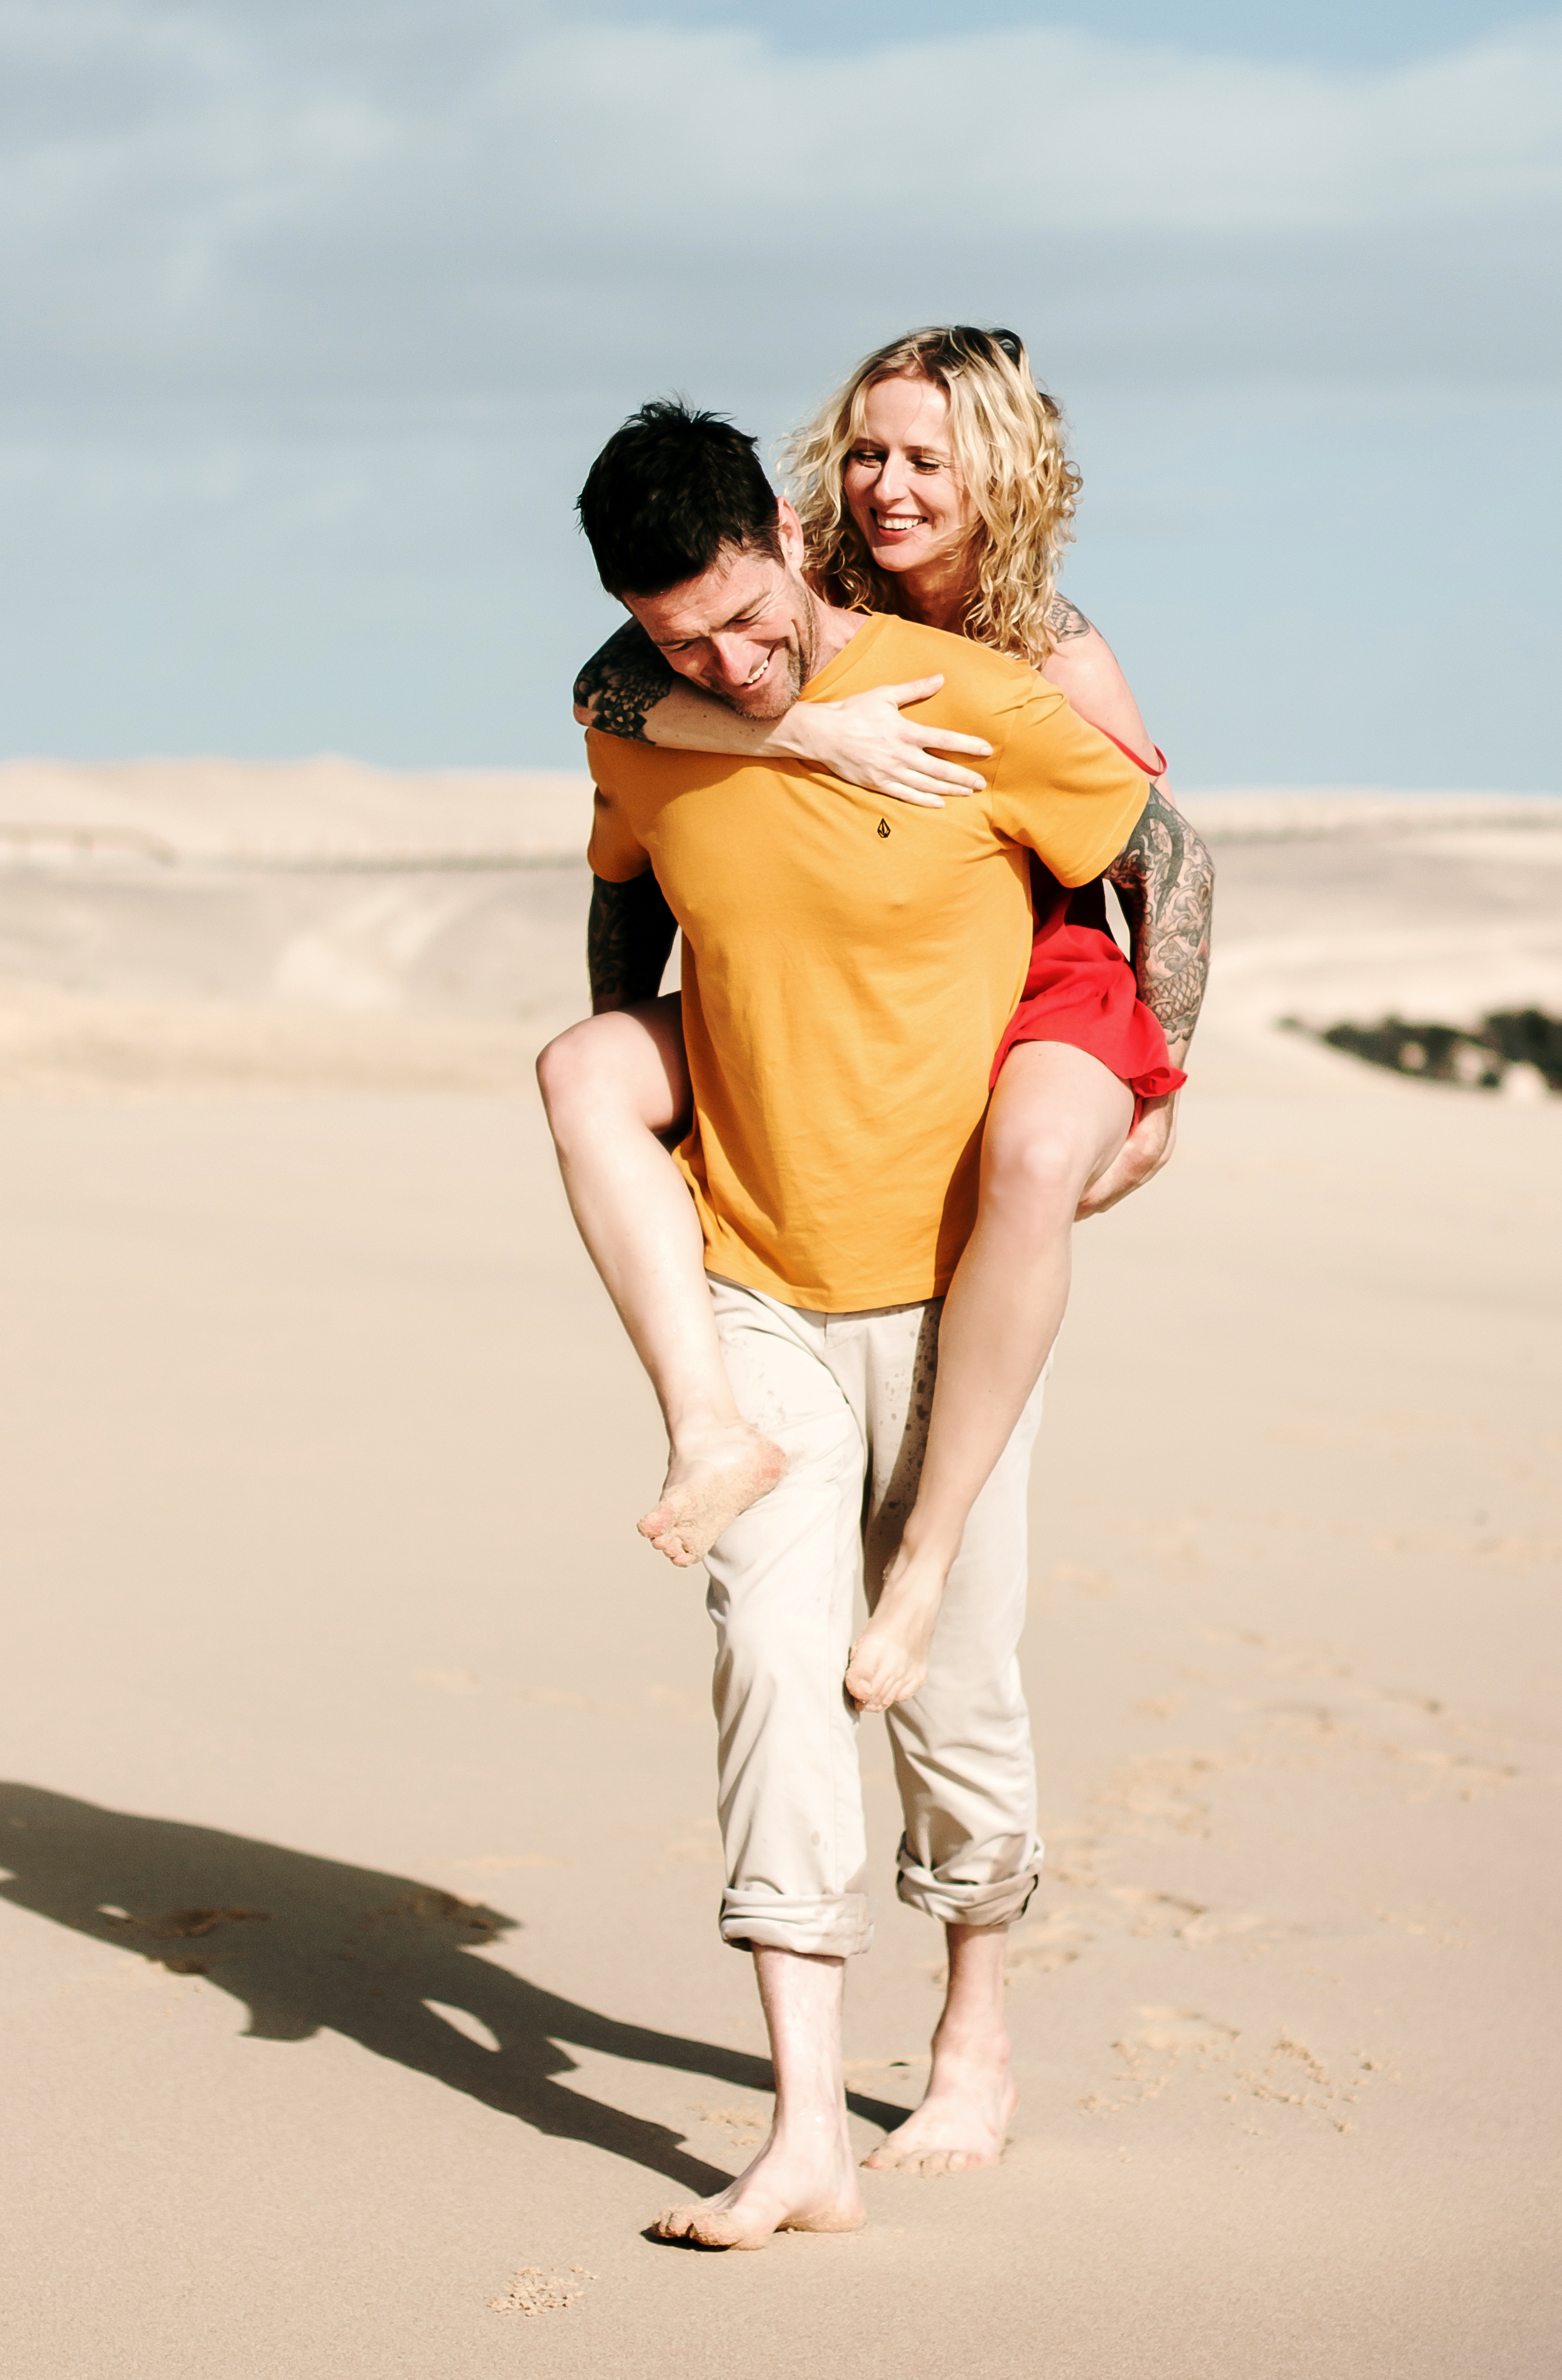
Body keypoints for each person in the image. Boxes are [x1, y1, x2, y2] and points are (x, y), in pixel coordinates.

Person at [537, 392, 1211, 2248]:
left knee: (957, 1694)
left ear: (781, 528)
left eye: (754, 623)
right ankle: (805, 2127)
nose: (735, 667)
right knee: (771, 1654)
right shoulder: (645, 720)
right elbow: (622, 907)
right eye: (686, 644)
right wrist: (649, 1083)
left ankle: (975, 2026)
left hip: (941, 1293)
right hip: (754, 1275)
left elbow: (1153, 850)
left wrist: (1152, 1080)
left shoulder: (969, 695)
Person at [544, 328, 1212, 1721]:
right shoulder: (790, 589)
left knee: (1031, 1162)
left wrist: (1159, 1073)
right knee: (586, 1071)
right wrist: (798, 733)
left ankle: (926, 1561)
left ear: (1001, 469)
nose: (886, 485)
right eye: (866, 451)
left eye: (924, 458)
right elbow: (607, 688)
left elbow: (1162, 857)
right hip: (857, 969)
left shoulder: (1049, 645)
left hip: (1044, 958)